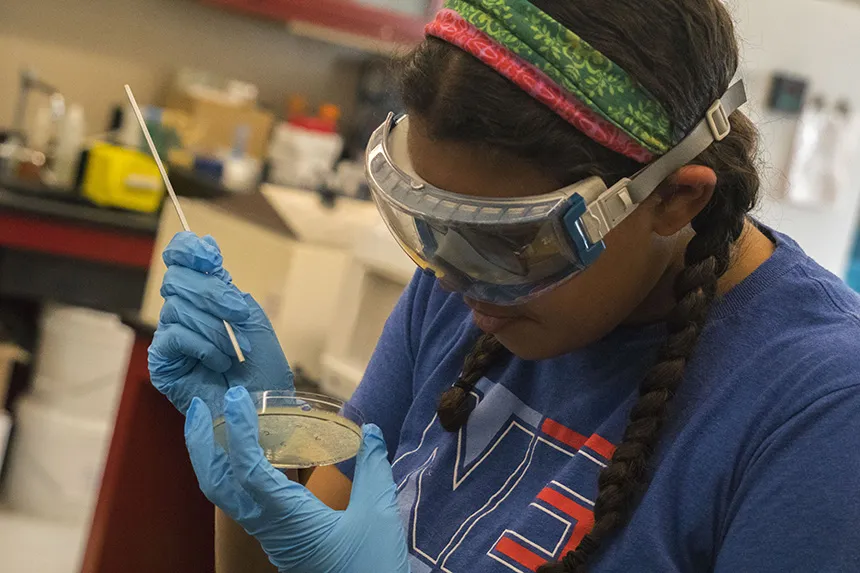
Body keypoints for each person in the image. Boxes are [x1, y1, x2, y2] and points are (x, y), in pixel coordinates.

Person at [148, 0, 860, 571]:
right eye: (434, 223)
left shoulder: (820, 411)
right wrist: (262, 456)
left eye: (510, 242)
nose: (456, 279)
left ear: (675, 199)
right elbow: (306, 553)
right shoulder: (462, 290)